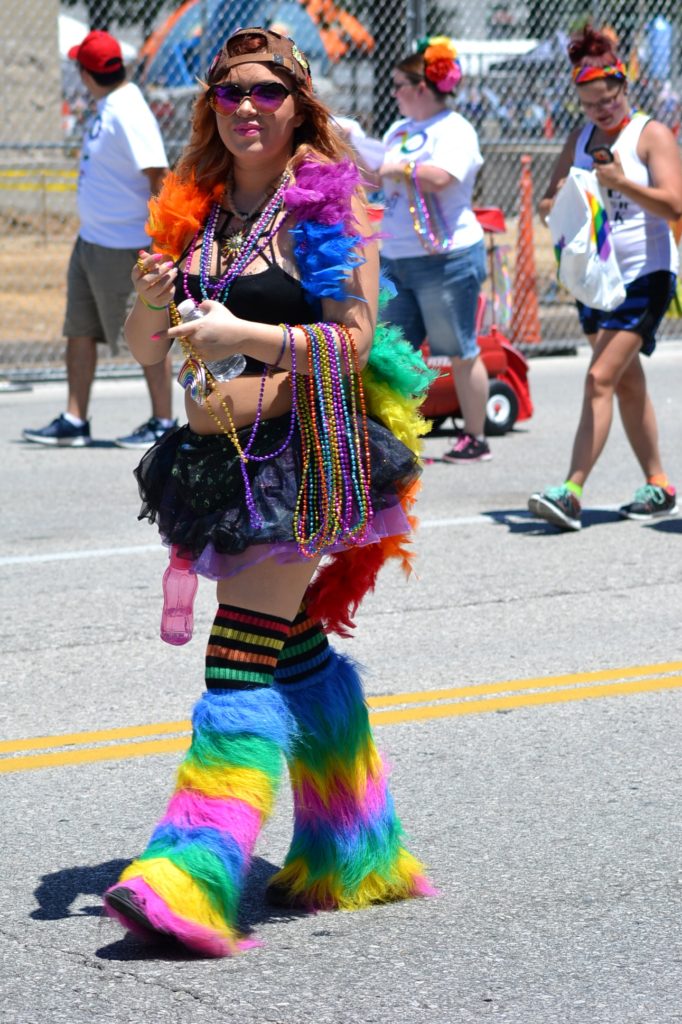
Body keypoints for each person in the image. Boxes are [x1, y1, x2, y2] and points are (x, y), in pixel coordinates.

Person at [101, 26, 435, 956]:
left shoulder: (327, 211)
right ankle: (355, 849)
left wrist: (245, 334)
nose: (247, 107)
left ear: (299, 107)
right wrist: (148, 295)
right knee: (294, 653)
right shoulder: (197, 213)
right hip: (218, 462)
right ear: (211, 108)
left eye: (268, 93)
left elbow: (356, 342)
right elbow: (148, 352)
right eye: (229, 93)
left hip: (302, 460)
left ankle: (192, 878)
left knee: (238, 658)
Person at [528, 24, 682, 531]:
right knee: (626, 384)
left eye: (607, 97)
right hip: (595, 276)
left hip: (645, 275)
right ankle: (659, 484)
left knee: (599, 378)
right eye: (589, 101)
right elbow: (546, 200)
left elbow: (675, 203)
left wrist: (617, 183)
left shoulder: (650, 134)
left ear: (623, 87)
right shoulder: (580, 138)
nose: (601, 109)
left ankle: (571, 491)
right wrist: (563, 201)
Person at [22, 30, 175, 450]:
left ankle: (163, 420)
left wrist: (159, 242)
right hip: (91, 241)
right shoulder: (109, 106)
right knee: (80, 330)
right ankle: (75, 418)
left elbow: (157, 173)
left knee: (147, 335)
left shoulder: (129, 110)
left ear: (86, 74)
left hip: (124, 245)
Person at [372, 36, 491, 463]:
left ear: (422, 86)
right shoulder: (398, 130)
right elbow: (381, 176)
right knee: (389, 353)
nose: (394, 93)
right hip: (396, 257)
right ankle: (391, 438)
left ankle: (475, 437)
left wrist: (390, 166)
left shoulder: (454, 128)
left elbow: (443, 176)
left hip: (447, 257)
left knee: (458, 348)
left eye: (399, 85)